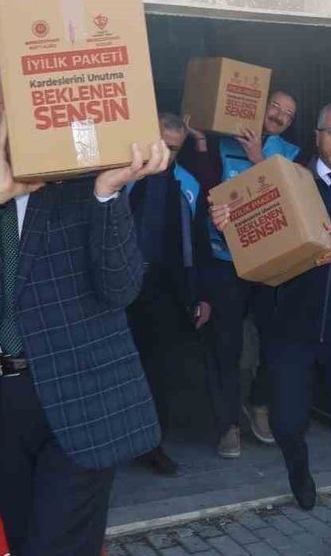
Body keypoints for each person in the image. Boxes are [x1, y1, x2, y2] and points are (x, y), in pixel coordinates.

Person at [0, 62, 169, 556]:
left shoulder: (85, 188)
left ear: (18, 109)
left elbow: (122, 287)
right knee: (24, 543)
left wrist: (107, 194)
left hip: (83, 402)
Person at [211, 99, 331, 556]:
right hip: (290, 332)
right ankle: (297, 466)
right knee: (285, 422)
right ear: (317, 136)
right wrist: (226, 225)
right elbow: (252, 234)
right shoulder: (289, 181)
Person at [181, 90, 302, 458]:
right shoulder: (223, 141)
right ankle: (228, 425)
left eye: (287, 113)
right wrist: (201, 142)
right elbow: (204, 191)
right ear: (260, 106)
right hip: (224, 260)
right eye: (275, 106)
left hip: (270, 262)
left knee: (279, 340)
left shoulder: (291, 153)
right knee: (225, 345)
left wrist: (259, 159)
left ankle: (259, 403)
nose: (279, 115)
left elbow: (297, 201)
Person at [124, 114, 213, 476]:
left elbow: (201, 243)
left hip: (166, 291)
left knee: (160, 372)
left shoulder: (188, 184)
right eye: (161, 143)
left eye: (174, 148)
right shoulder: (122, 176)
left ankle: (152, 445)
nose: (166, 152)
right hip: (120, 288)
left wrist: (203, 295)